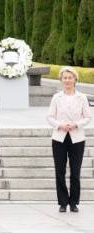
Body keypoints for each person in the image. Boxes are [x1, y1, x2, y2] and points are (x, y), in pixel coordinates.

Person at [47, 66, 91, 213]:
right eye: (64, 78)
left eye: (70, 77)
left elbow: (88, 117)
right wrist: (60, 125)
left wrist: (75, 124)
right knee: (59, 171)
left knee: (75, 172)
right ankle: (63, 202)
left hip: (77, 137)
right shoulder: (56, 97)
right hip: (59, 137)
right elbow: (50, 117)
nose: (67, 80)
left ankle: (74, 202)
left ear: (75, 79)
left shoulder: (82, 97)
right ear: (61, 80)